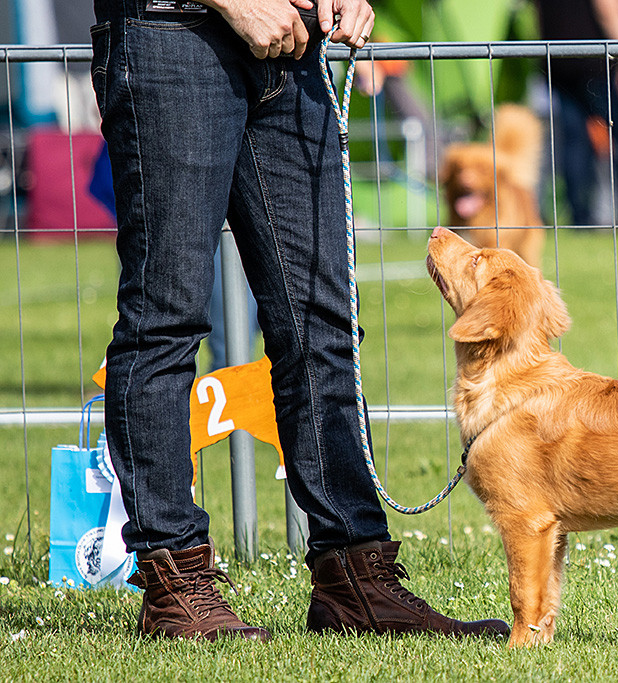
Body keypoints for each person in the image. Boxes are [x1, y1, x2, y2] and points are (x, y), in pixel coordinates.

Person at [91, 0, 509, 641]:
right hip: (170, 31)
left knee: (322, 325)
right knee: (165, 319)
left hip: (292, 45)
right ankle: (176, 583)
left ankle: (355, 578)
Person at [536, 0, 618, 227]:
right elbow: (609, 8)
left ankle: (580, 219)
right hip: (596, 60)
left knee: (575, 143)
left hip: (559, 61)